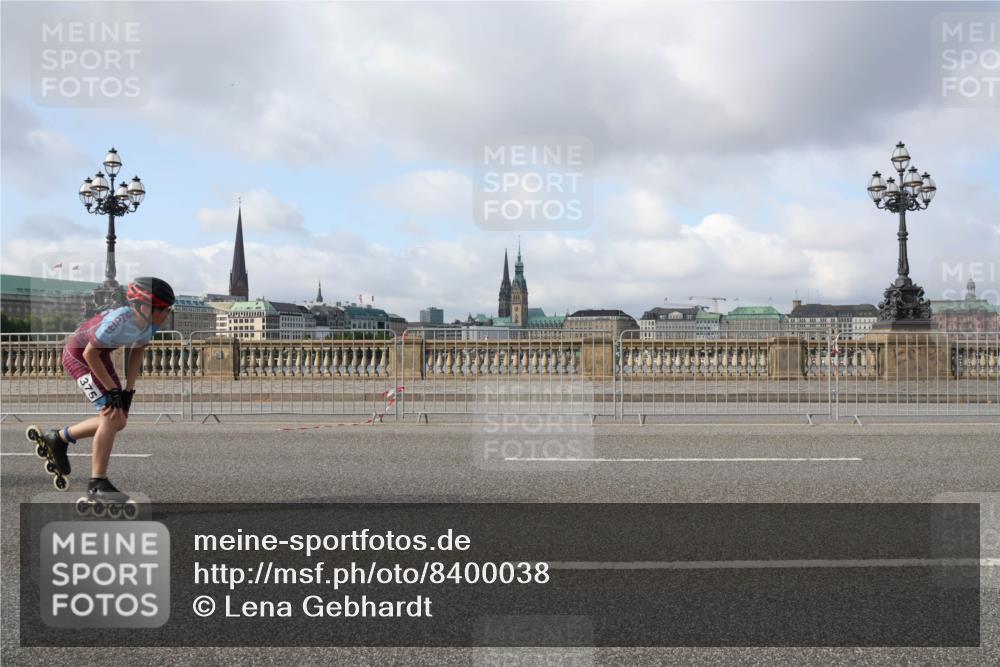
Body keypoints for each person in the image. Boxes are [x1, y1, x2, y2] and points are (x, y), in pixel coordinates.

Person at [41, 277, 175, 500]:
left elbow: (137, 352)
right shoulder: (119, 320)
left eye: (169, 309)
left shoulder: (150, 325)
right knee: (111, 415)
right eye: (163, 309)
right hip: (78, 356)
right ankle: (97, 483)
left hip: (100, 356)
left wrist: (128, 391)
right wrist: (113, 391)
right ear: (144, 307)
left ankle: (58, 438)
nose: (167, 314)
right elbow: (88, 354)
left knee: (118, 420)